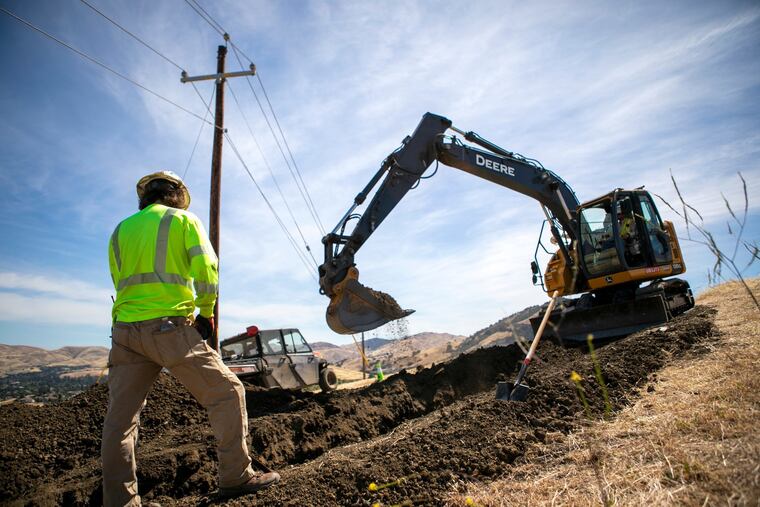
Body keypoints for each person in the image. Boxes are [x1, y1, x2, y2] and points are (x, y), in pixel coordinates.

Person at [103, 171, 279, 506]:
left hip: (124, 333)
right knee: (228, 393)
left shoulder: (119, 231)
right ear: (175, 195)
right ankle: (236, 477)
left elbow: (118, 279)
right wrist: (206, 312)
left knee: (119, 423)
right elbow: (207, 269)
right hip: (169, 329)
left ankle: (120, 501)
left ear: (144, 198)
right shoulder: (183, 220)